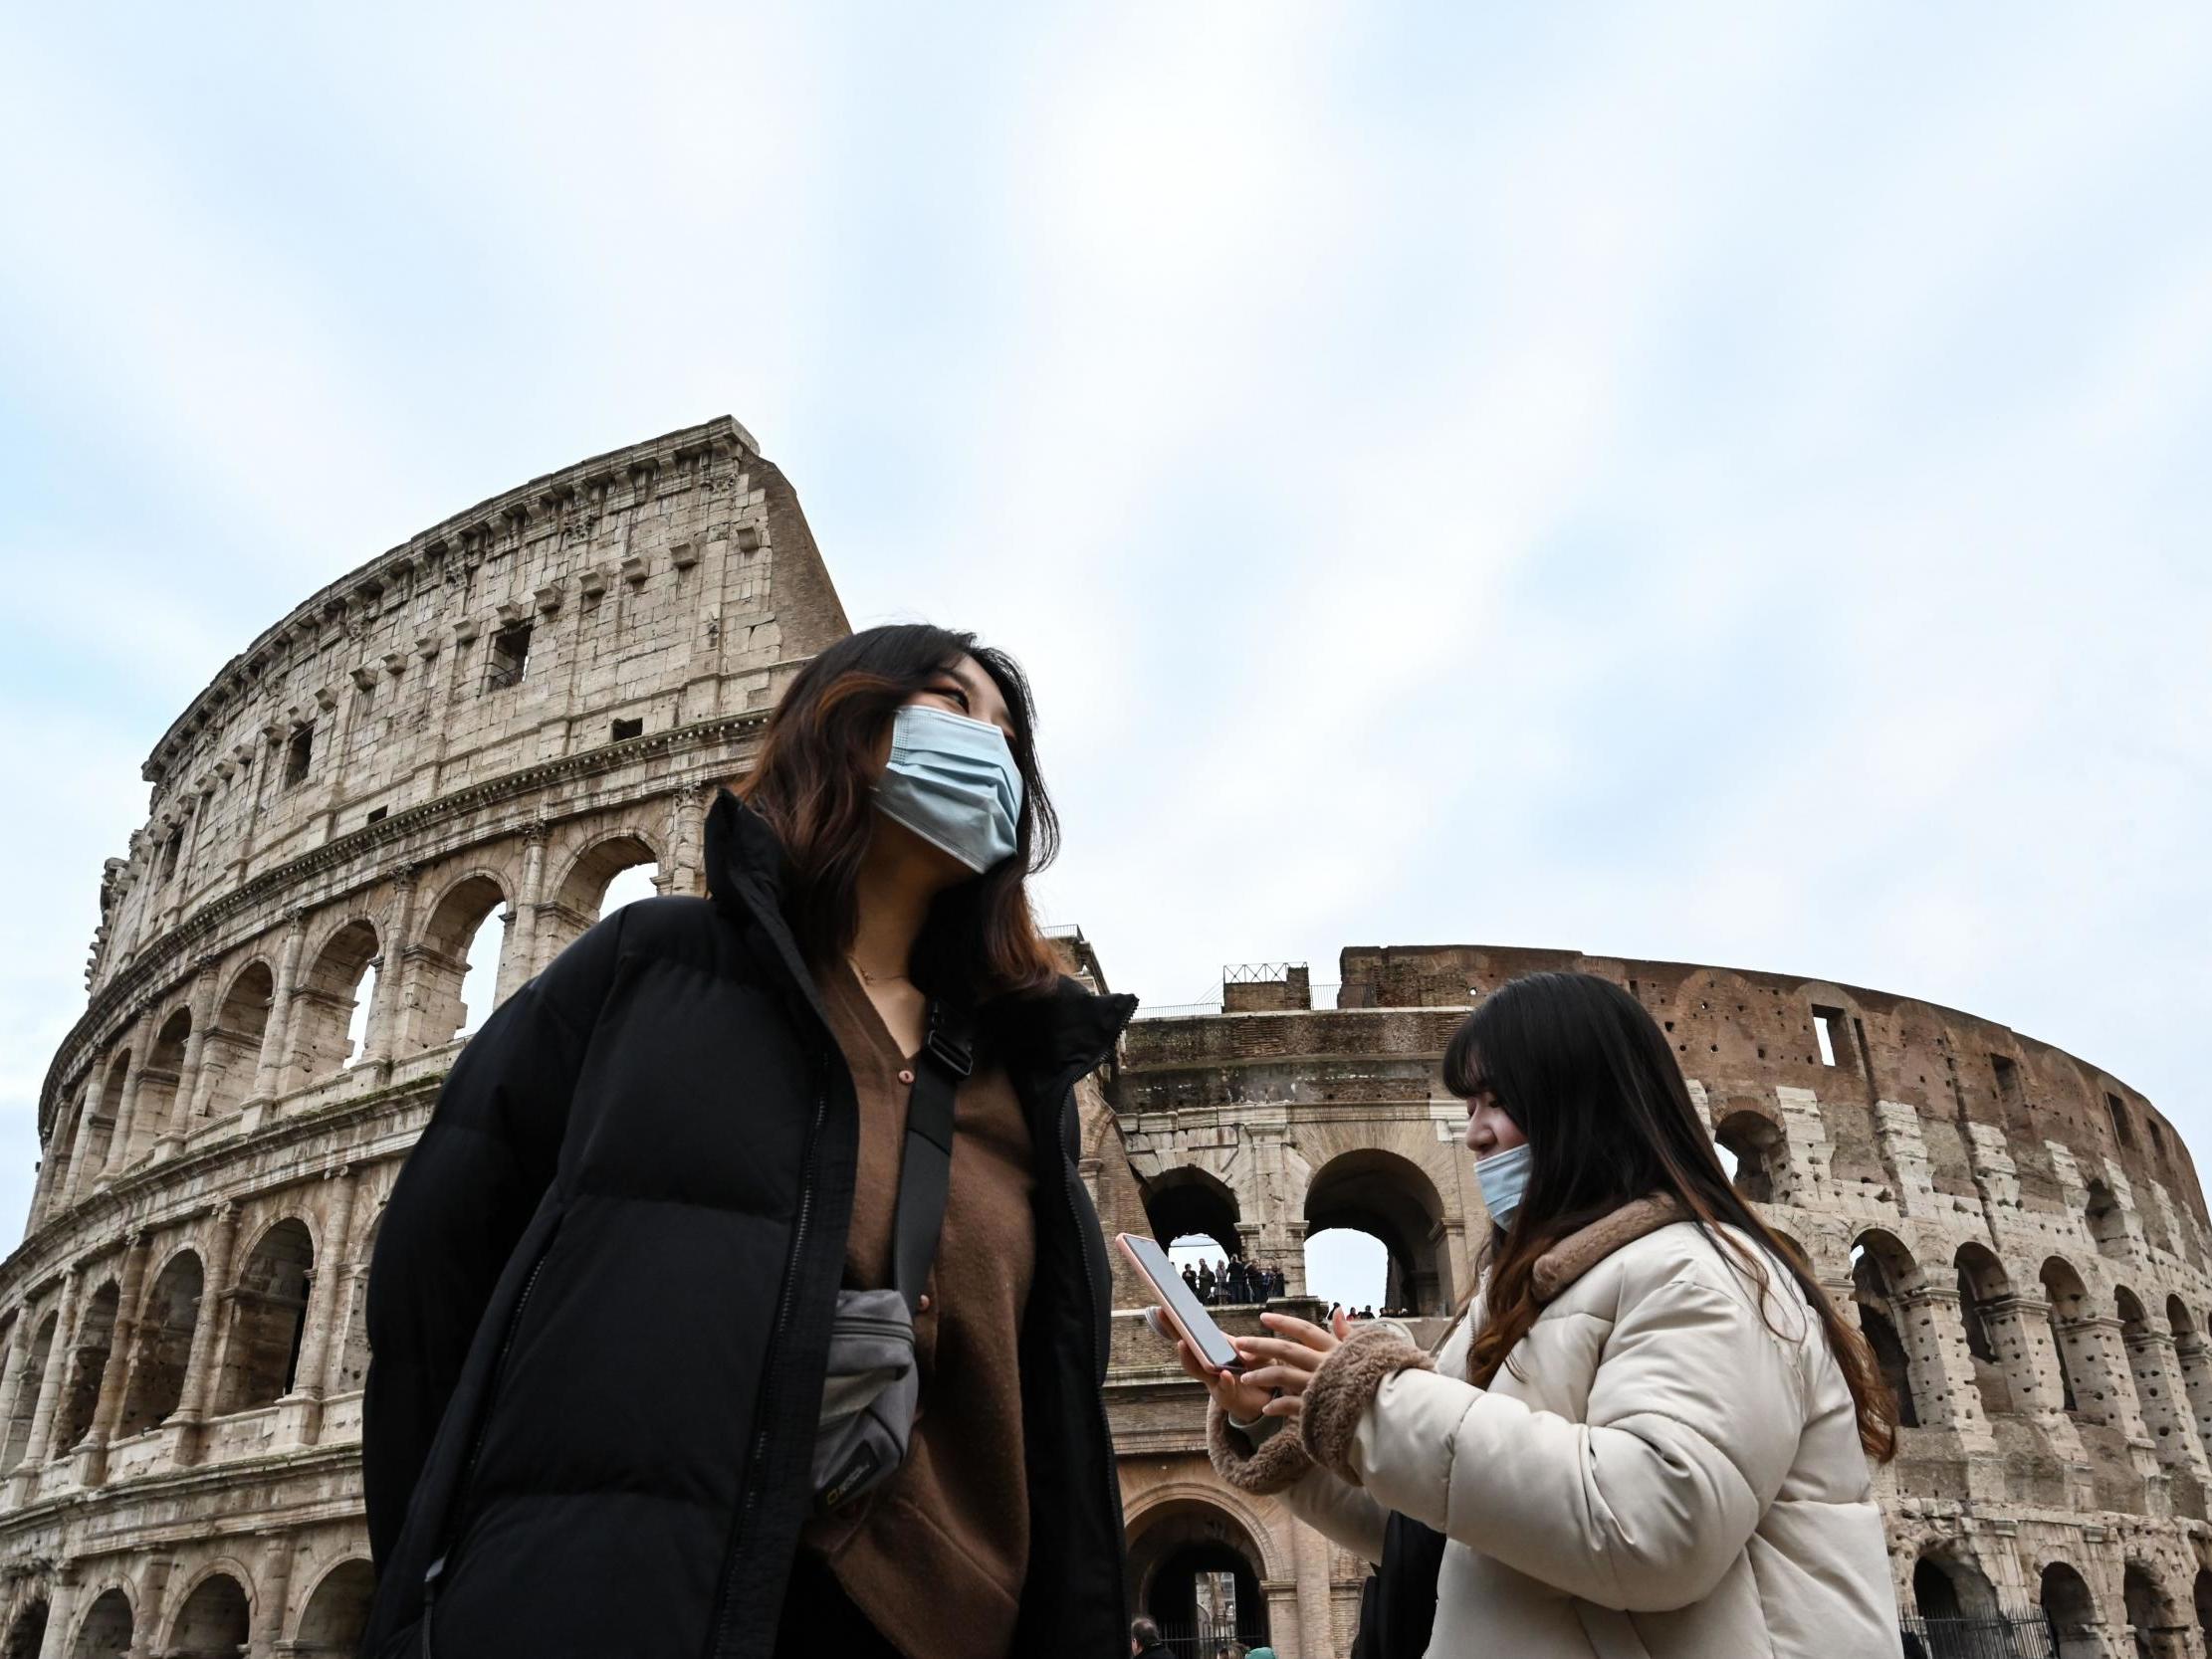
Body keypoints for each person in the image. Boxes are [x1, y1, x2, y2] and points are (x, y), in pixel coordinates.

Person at [358, 625, 1138, 1659]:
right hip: (633, 1598)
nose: (987, 747)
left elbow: (1047, 1417)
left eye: (1008, 735)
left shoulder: (1021, 1080)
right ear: (844, 719)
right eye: (952, 705)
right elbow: (432, 1282)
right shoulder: (648, 969)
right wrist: (461, 1585)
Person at [1175, 971, 1901, 1657]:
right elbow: (1437, 1528)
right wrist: (1282, 1418)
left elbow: (1655, 1524)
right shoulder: (1514, 1299)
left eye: (1497, 1101)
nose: (1475, 1134)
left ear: (1583, 1102)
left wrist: (1378, 1402)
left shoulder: (1701, 1273)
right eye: (1470, 1108)